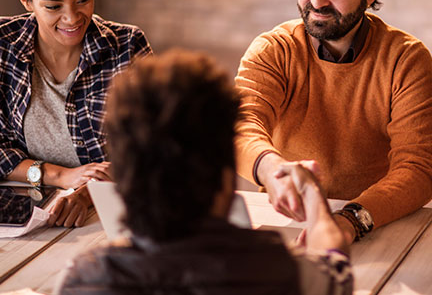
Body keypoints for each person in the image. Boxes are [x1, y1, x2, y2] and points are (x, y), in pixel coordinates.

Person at [55, 50, 352, 294]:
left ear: (126, 181)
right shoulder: (284, 274)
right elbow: (335, 264)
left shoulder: (84, 279)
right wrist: (312, 193)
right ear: (225, 178)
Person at [235, 0, 432, 244]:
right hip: (288, 220)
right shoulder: (273, 49)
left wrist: (350, 220)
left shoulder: (407, 60)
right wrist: (273, 170)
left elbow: (419, 169)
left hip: (377, 222)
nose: (317, 1)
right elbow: (239, 125)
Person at [0, 0, 152, 228]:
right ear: (26, 0)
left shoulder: (127, 46)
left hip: (114, 208)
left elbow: (152, 148)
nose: (72, 18)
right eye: (53, 6)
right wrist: (59, 175)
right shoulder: (3, 46)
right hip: (28, 215)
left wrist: (86, 194)